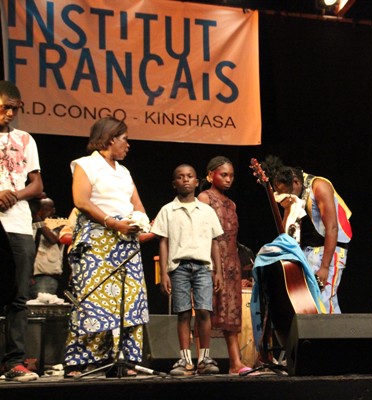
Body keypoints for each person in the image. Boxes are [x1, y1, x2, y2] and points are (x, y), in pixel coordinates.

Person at [63, 116, 150, 378]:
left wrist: (140, 222)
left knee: (130, 299)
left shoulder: (124, 172)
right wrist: (113, 223)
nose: (128, 145)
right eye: (124, 139)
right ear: (111, 139)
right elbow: (81, 200)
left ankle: (124, 360)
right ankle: (81, 361)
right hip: (99, 237)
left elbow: (138, 205)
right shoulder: (86, 165)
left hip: (127, 240)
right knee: (94, 298)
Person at [151, 164, 224, 376]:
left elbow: (214, 242)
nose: (185, 180)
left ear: (196, 181)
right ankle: (185, 359)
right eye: (180, 177)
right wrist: (164, 272)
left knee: (203, 310)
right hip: (179, 267)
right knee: (182, 312)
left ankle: (204, 357)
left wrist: (218, 271)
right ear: (174, 183)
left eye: (190, 176)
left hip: (202, 267)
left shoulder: (207, 211)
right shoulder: (167, 210)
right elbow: (163, 242)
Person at [262, 156, 352, 314]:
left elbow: (332, 227)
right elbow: (286, 231)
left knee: (324, 301)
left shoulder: (319, 186)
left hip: (330, 250)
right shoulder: (293, 190)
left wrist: (324, 267)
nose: (284, 196)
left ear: (296, 182)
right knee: (311, 303)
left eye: (285, 192)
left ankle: (333, 337)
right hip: (308, 250)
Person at [0, 80, 44, 382]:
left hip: (17, 224)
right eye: (5, 107)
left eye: (15, 109)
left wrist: (14, 194)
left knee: (18, 296)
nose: (10, 113)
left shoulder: (25, 139)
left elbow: (37, 185)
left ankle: (14, 362)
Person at [198, 156, 252, 374]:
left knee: (231, 314)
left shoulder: (232, 203)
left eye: (231, 175)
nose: (229, 179)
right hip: (211, 261)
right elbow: (202, 233)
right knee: (206, 311)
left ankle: (235, 363)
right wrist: (211, 265)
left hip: (231, 262)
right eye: (223, 174)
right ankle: (203, 360)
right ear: (211, 175)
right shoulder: (204, 198)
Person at [30, 197, 66, 298]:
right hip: (26, 276)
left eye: (45, 209)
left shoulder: (60, 224)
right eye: (39, 209)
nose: (41, 212)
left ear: (53, 210)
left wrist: (37, 218)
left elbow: (52, 239)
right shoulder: (31, 223)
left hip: (46, 276)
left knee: (41, 309)